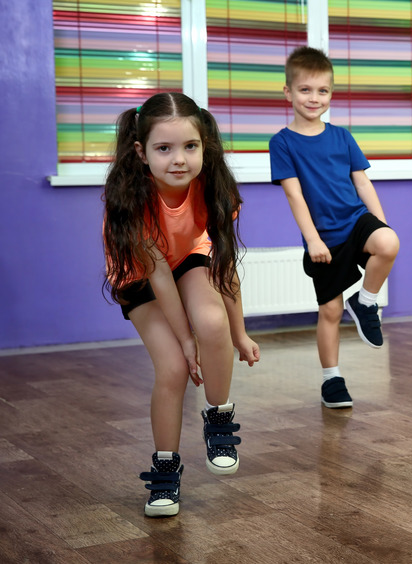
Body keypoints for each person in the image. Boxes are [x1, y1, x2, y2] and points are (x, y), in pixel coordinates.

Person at [103, 92, 260, 517]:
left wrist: (239, 332)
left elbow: (224, 263)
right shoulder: (132, 201)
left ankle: (219, 415)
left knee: (213, 324)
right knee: (173, 367)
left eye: (190, 147)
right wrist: (185, 343)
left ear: (204, 147)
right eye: (164, 148)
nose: (179, 159)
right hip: (140, 277)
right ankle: (166, 470)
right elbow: (157, 278)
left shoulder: (214, 189)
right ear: (141, 152)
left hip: (188, 258)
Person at [269, 46, 400, 409]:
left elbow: (363, 184)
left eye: (322, 91)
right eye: (305, 90)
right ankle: (332, 380)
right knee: (329, 310)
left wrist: (380, 224)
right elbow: (295, 196)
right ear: (288, 92)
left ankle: (366, 301)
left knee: (388, 242)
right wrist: (312, 240)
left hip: (357, 220)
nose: (314, 98)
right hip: (324, 237)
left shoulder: (342, 136)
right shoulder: (282, 143)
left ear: (331, 94)